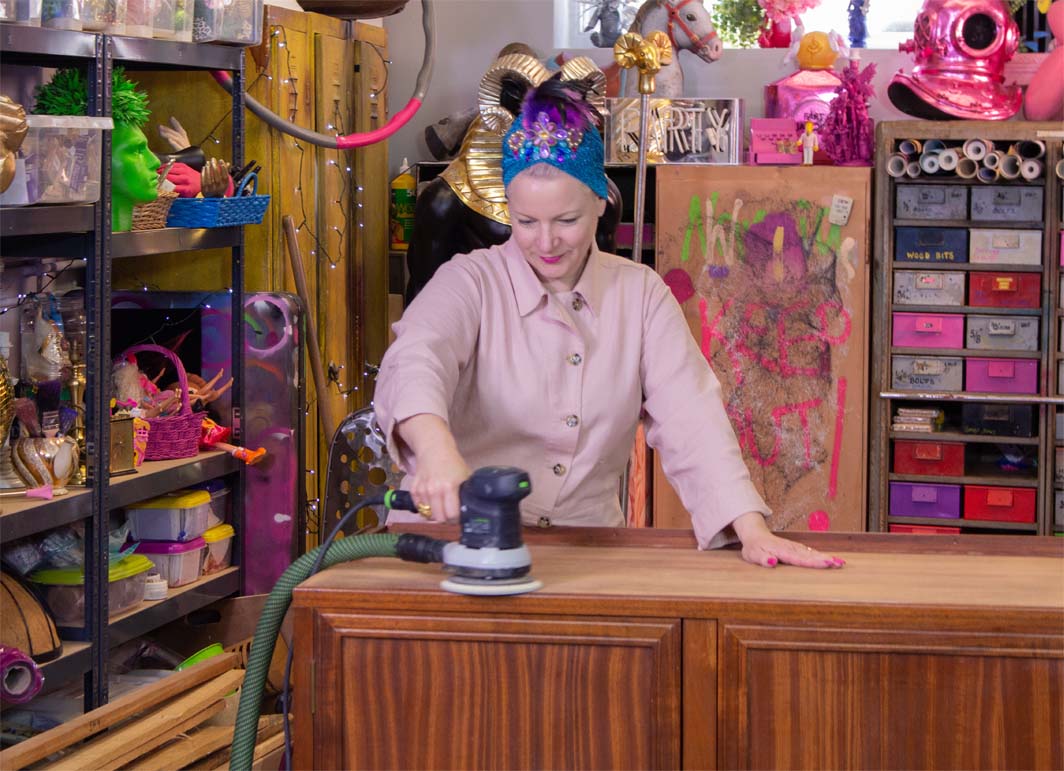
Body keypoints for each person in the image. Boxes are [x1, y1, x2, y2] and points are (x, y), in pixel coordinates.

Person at [374, 77, 843, 570]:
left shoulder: (639, 295)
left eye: (567, 220)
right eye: (527, 221)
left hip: (586, 552)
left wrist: (750, 527)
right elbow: (415, 360)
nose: (546, 242)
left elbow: (691, 415)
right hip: (450, 545)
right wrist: (435, 454)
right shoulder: (469, 282)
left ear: (600, 202)